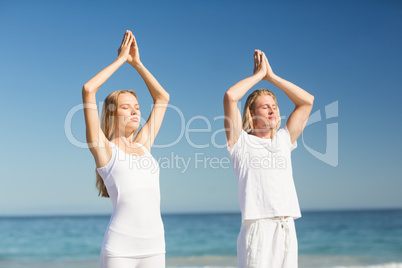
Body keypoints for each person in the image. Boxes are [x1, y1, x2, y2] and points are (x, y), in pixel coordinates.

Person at [82, 30, 169, 268]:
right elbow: (89, 89)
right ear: (112, 113)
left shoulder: (144, 145)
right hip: (120, 248)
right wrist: (121, 60)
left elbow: (162, 98)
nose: (135, 111)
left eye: (137, 107)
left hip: (155, 246)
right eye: (126, 107)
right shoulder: (104, 150)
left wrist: (137, 63)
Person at [223, 50, 314, 267]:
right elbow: (230, 96)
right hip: (258, 228)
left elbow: (307, 102)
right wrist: (258, 76)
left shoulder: (283, 139)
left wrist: (272, 77)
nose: (272, 110)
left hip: (287, 226)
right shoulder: (240, 142)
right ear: (251, 113)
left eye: (274, 106)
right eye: (265, 107)